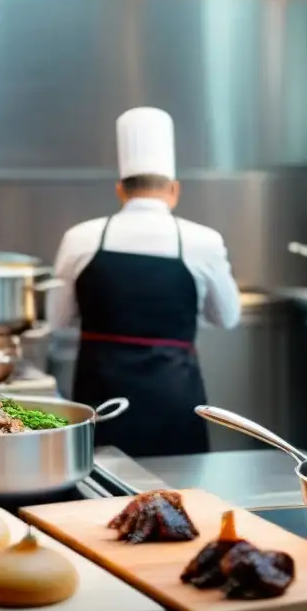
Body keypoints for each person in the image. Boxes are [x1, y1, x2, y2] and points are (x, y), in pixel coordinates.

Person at [47, 107, 242, 458]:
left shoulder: (80, 237)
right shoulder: (203, 240)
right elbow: (226, 317)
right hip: (174, 400)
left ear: (121, 190)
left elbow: (56, 320)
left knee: (99, 493)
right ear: (174, 189)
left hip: (102, 398)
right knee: (178, 496)